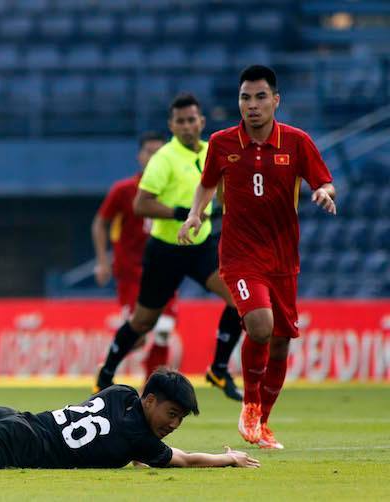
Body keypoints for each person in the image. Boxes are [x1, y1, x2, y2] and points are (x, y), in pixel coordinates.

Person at [179, 65, 336, 450]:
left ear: (275, 100)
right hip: (239, 255)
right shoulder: (222, 142)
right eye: (245, 98)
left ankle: (262, 420)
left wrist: (324, 192)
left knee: (281, 342)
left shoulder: (297, 142)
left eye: (260, 97)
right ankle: (249, 407)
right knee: (261, 326)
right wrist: (195, 213)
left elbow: (324, 179)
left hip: (283, 258)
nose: (252, 105)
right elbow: (207, 184)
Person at [95, 94, 244, 401]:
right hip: (165, 250)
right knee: (143, 322)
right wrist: (182, 213)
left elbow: (222, 193)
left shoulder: (212, 151)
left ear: (201, 122)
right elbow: (141, 204)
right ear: (172, 125)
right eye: (180, 121)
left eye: (192, 120)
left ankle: (217, 368)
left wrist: (222, 211)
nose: (187, 126)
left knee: (239, 300)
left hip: (200, 246)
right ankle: (106, 374)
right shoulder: (163, 159)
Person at [0, 370, 260, 470]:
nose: (174, 425)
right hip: (21, 444)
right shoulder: (142, 441)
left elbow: (109, 427)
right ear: (150, 401)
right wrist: (227, 459)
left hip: (13, 415)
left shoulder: (118, 394)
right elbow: (182, 460)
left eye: (180, 419)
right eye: (172, 414)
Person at [92, 131, 178, 386]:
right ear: (139, 156)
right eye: (149, 152)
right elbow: (100, 223)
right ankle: (109, 364)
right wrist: (102, 261)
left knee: (163, 330)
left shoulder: (173, 189)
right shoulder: (123, 190)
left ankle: (154, 388)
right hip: (131, 272)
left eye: (159, 152)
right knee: (138, 335)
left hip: (164, 269)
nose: (153, 157)